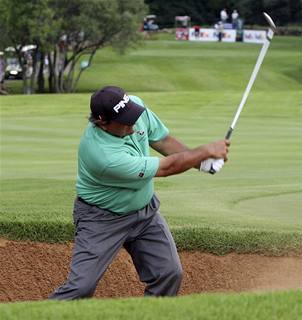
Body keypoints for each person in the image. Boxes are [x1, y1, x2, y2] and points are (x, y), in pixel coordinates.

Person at [49, 86, 230, 299]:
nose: (133, 124)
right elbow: (166, 168)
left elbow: (163, 141)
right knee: (80, 289)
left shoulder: (135, 108)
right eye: (125, 121)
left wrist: (200, 163)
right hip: (102, 219)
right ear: (102, 122)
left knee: (169, 273)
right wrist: (204, 151)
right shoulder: (102, 155)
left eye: (132, 116)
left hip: (145, 213)